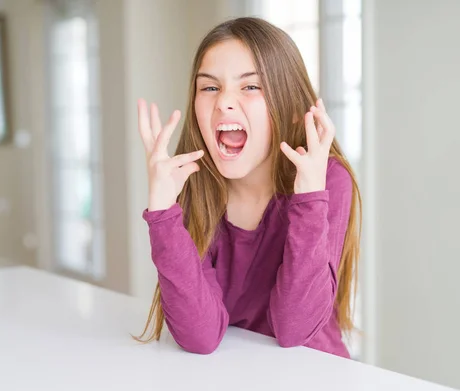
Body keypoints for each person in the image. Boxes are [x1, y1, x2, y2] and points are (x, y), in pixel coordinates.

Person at [133, 17, 362, 358]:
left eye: (250, 87)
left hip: (317, 379)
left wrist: (310, 198)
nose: (224, 101)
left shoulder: (328, 179)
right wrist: (163, 214)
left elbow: (293, 330)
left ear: (295, 108)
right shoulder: (192, 182)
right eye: (209, 87)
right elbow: (200, 336)